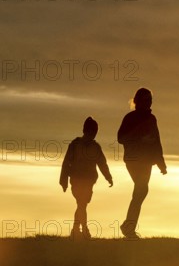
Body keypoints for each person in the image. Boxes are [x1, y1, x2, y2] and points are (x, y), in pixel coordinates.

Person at [117, 87, 167, 239]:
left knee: (140, 191)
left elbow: (156, 141)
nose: (149, 103)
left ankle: (128, 227)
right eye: (147, 100)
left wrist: (161, 163)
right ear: (138, 101)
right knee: (141, 190)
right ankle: (128, 228)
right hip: (133, 160)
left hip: (146, 161)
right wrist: (139, 138)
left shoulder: (152, 119)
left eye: (150, 100)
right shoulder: (130, 118)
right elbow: (121, 138)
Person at [60, 117, 113, 240]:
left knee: (81, 204)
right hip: (77, 180)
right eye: (93, 131)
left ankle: (76, 230)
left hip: (89, 181)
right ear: (86, 131)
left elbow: (102, 163)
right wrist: (63, 181)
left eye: (95, 132)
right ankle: (83, 229)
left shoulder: (95, 147)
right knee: (82, 203)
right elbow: (66, 163)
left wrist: (108, 177)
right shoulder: (75, 145)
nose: (94, 134)